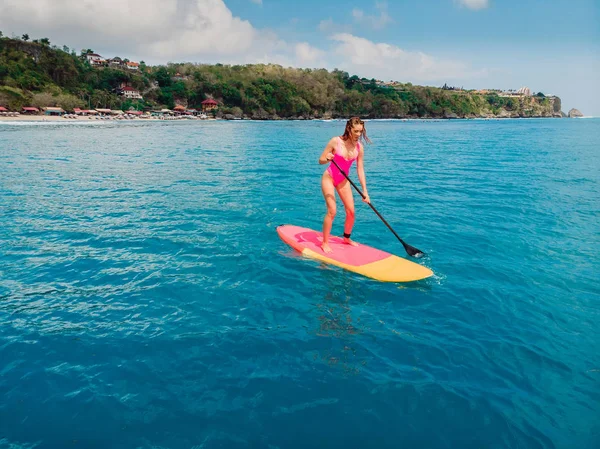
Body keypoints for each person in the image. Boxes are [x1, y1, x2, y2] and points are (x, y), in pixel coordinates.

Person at [317, 117, 371, 253]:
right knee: (332, 211)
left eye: (361, 131)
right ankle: (324, 242)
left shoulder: (359, 147)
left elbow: (360, 169)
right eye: (356, 131)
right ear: (349, 129)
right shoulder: (336, 141)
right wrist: (327, 158)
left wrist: (365, 191)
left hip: (343, 180)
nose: (359, 134)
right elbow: (321, 160)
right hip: (329, 178)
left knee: (351, 212)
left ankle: (346, 238)